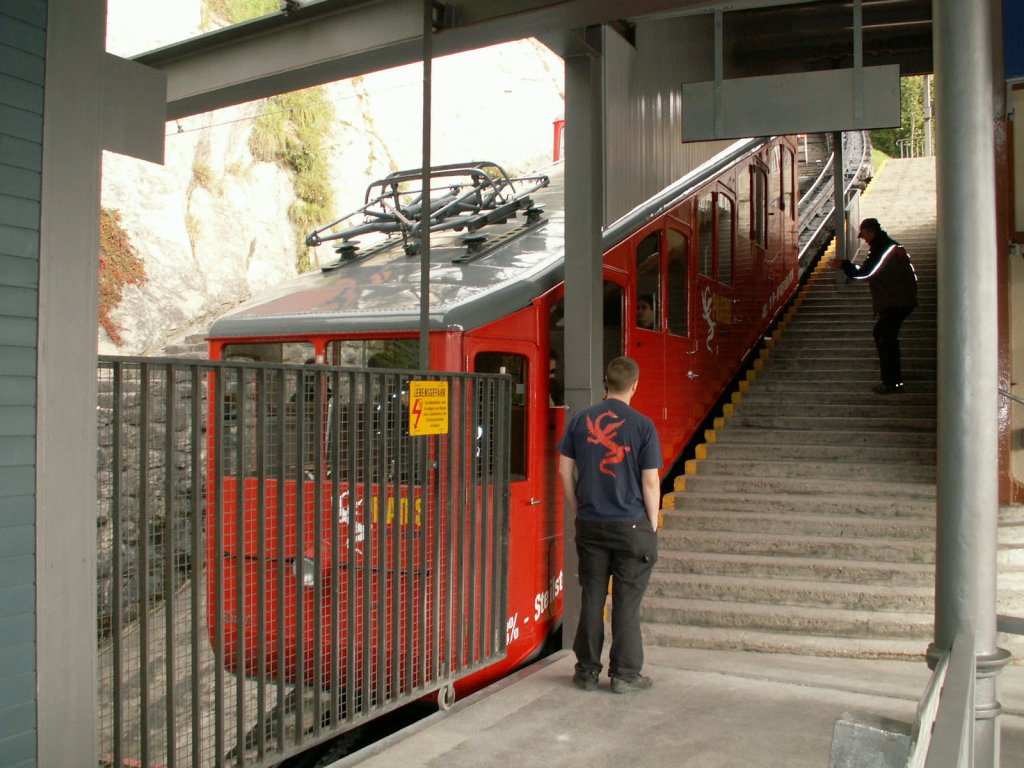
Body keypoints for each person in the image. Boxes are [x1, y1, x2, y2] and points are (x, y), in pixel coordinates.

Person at [557, 356, 661, 694]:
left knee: (592, 597)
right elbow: (650, 482)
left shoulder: (579, 420)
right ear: (635, 385)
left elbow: (563, 472)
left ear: (605, 381)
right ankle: (625, 675)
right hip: (631, 526)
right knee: (627, 603)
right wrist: (653, 524)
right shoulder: (643, 426)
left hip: (590, 523)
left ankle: (586, 671)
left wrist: (579, 509)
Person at [833, 218, 918, 394]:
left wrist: (844, 265)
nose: (863, 239)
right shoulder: (886, 246)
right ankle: (893, 380)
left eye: (863, 235)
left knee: (885, 338)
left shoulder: (884, 248)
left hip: (896, 301)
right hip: (899, 300)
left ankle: (893, 382)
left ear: (870, 232)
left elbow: (866, 273)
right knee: (883, 335)